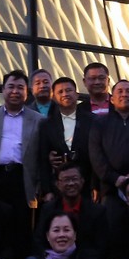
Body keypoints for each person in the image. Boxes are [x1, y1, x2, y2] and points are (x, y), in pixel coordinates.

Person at [0, 70, 43, 213]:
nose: (15, 91)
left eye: (20, 87)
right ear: (3, 90)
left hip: (24, 180)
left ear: (27, 92)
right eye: (11, 87)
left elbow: (42, 156)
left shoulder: (39, 121)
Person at [37, 75, 93, 203]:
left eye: (69, 90)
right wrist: (47, 191)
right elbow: (43, 159)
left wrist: (95, 186)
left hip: (87, 183)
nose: (65, 94)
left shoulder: (92, 120)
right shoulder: (46, 124)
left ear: (77, 94)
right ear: (53, 97)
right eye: (60, 92)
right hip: (59, 186)